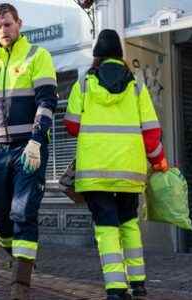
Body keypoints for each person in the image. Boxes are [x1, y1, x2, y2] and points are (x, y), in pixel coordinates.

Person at [64, 29, 168, 300]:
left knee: (106, 227)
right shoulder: (137, 86)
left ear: (96, 56)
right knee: (129, 223)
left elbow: (72, 126)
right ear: (121, 56)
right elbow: (151, 132)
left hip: (94, 171)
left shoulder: (84, 85)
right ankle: (138, 283)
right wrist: (159, 161)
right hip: (130, 171)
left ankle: (115, 287)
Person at [0, 3, 58, 297]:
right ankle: (19, 259)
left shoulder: (37, 56)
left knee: (22, 213)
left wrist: (36, 141)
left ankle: (20, 287)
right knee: (0, 216)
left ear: (19, 23)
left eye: (8, 24)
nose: (4, 31)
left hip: (27, 150)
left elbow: (47, 102)